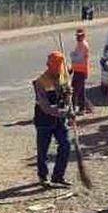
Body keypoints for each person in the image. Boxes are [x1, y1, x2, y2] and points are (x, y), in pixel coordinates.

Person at [32, 51, 74, 187]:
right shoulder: (40, 82)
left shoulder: (63, 77)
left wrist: (69, 101)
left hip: (59, 121)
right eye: (55, 66)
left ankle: (58, 176)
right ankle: (43, 176)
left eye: (59, 67)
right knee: (43, 150)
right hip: (44, 120)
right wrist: (63, 113)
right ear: (48, 65)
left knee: (66, 145)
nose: (57, 70)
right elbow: (45, 106)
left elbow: (67, 99)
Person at [69, 28, 90, 113]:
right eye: (77, 35)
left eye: (80, 36)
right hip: (77, 70)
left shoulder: (84, 45)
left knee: (75, 91)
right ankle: (82, 108)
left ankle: (74, 108)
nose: (78, 37)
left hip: (81, 71)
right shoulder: (79, 44)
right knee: (80, 91)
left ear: (83, 36)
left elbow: (78, 58)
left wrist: (72, 55)